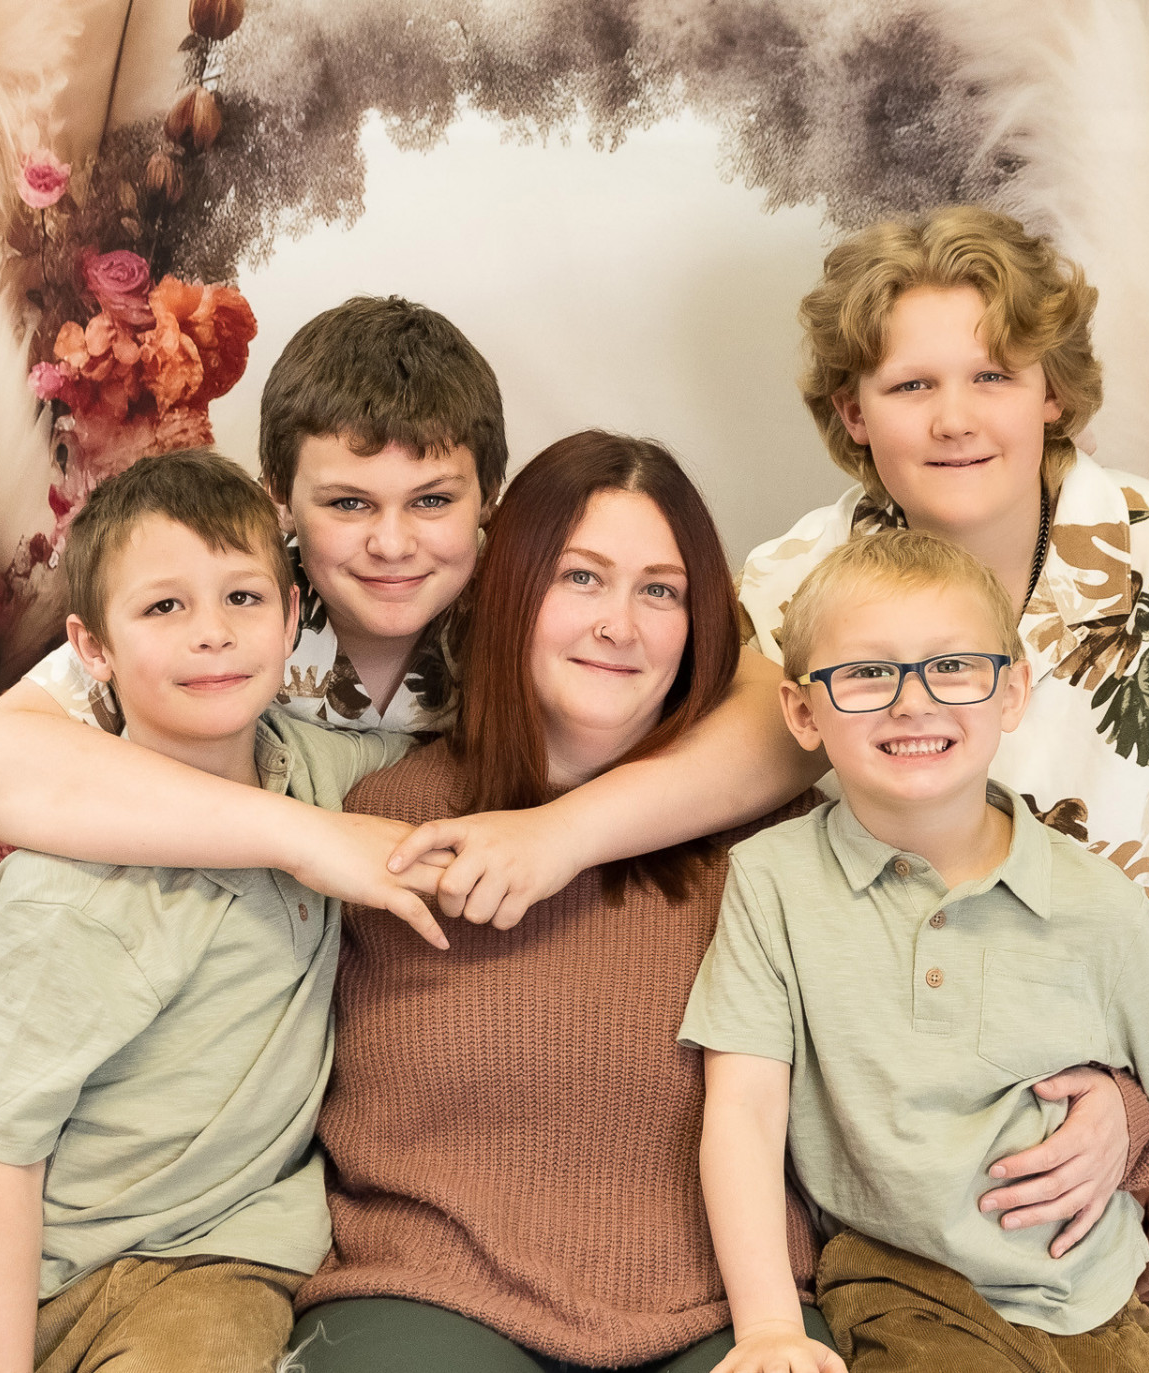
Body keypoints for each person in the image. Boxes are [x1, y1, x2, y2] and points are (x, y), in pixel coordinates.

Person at [0, 294, 1149, 1321]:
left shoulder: (534, 617)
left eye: (434, 501)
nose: (392, 544)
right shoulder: (224, 619)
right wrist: (317, 839)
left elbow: (776, 728)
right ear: (280, 498)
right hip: (217, 1139)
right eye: (347, 503)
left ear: (493, 503)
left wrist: (563, 834)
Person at [737, 205, 1149, 1373]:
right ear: (853, 412)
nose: (955, 417)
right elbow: (742, 782)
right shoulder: (796, 581)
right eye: (911, 385)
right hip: (917, 1185)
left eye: (993, 375)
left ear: (1052, 392)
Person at [287, 432, 834, 1371]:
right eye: (582, 578)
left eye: (660, 591)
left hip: (735, 1309)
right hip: (432, 1291)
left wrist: (1102, 1094)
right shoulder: (377, 820)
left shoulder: (782, 840)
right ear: (509, 588)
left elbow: (921, 1025)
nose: (619, 624)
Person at [683, 530, 1149, 1373]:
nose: (912, 702)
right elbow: (743, 1112)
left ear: (1012, 690)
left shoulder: (1096, 903)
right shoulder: (773, 882)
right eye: (867, 672)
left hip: (1094, 1296)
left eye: (952, 666)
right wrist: (770, 1324)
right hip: (907, 1285)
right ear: (804, 712)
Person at [0, 449, 431, 1373]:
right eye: (164, 607)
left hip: (217, 1259)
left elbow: (473, 786)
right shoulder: (65, 893)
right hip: (42, 1266)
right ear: (92, 649)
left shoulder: (320, 773)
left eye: (242, 597)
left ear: (291, 618)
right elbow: (4, 1161)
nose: (213, 634)